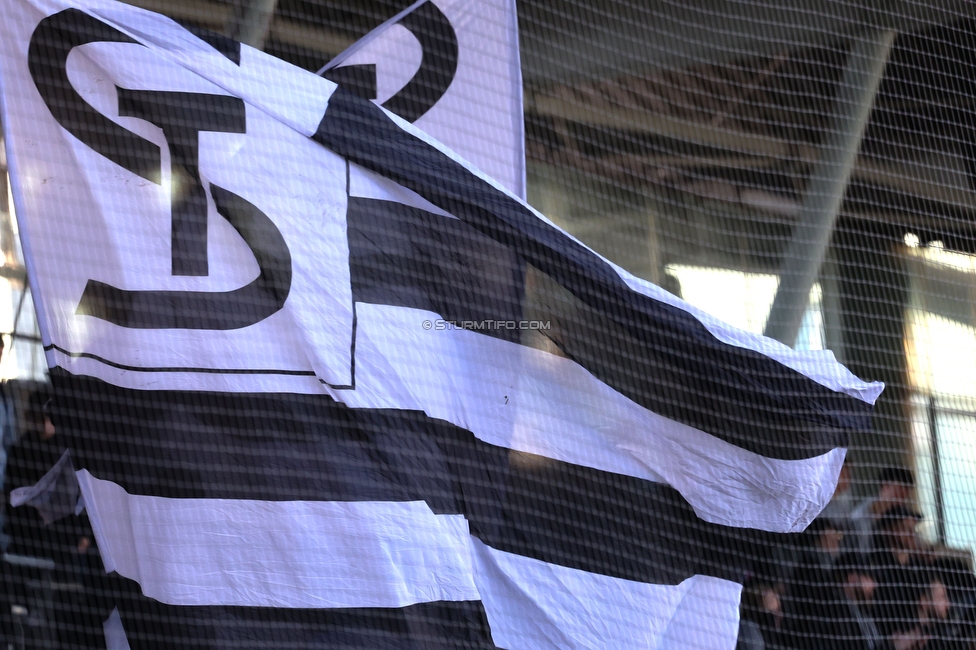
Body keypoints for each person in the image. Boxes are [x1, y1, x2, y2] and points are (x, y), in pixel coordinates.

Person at [789, 552, 889, 650]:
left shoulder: (865, 612)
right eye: (869, 578)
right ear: (852, 579)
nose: (874, 585)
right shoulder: (832, 612)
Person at [851, 467, 915, 556]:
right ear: (885, 486)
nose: (901, 498)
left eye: (905, 494)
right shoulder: (862, 514)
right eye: (899, 491)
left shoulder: (898, 514)